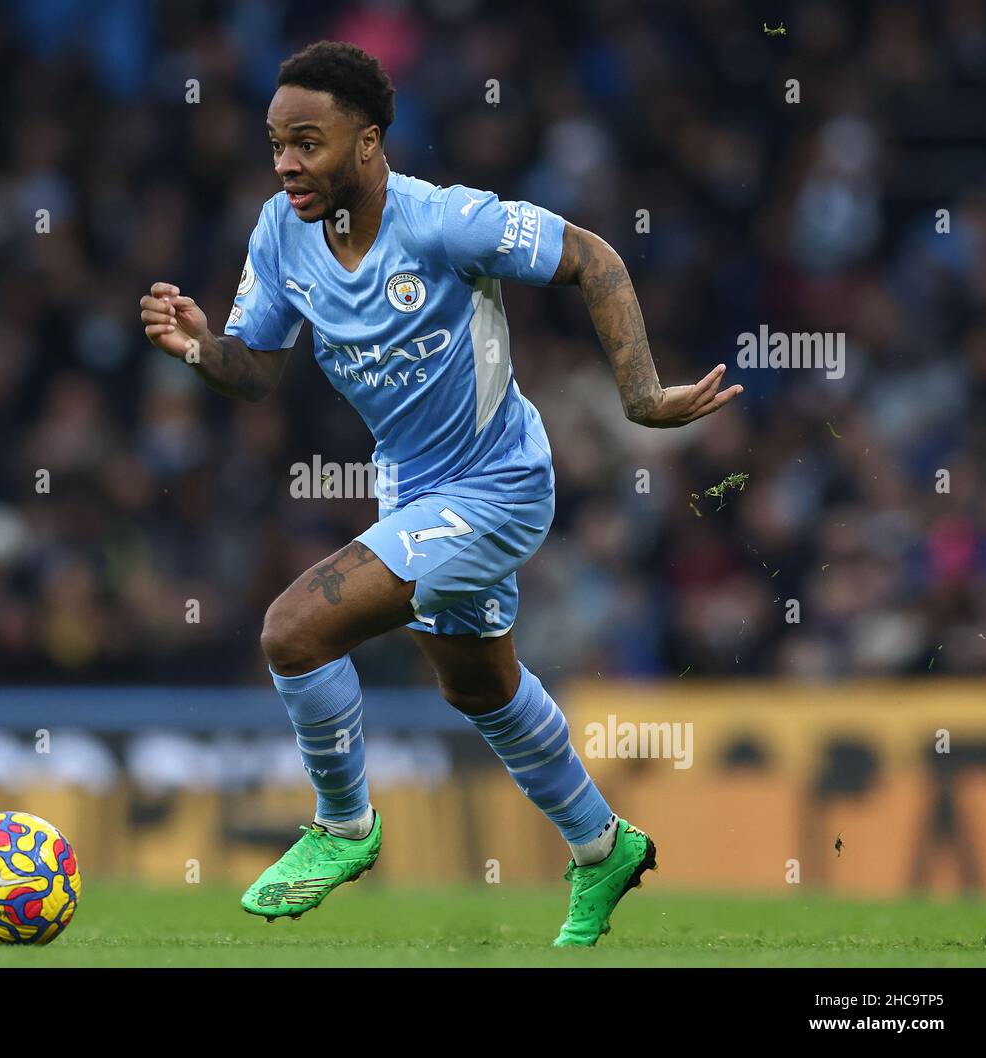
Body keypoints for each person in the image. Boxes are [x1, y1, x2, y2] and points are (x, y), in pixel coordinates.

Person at [139, 41, 742, 946]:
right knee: (479, 686)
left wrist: (641, 398)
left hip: (499, 485)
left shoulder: (446, 223)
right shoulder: (279, 230)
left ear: (370, 141)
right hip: (411, 492)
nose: (287, 164)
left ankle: (343, 825)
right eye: (276, 144)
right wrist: (198, 348)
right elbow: (257, 370)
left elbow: (595, 258)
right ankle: (602, 845)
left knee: (292, 631)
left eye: (308, 142)